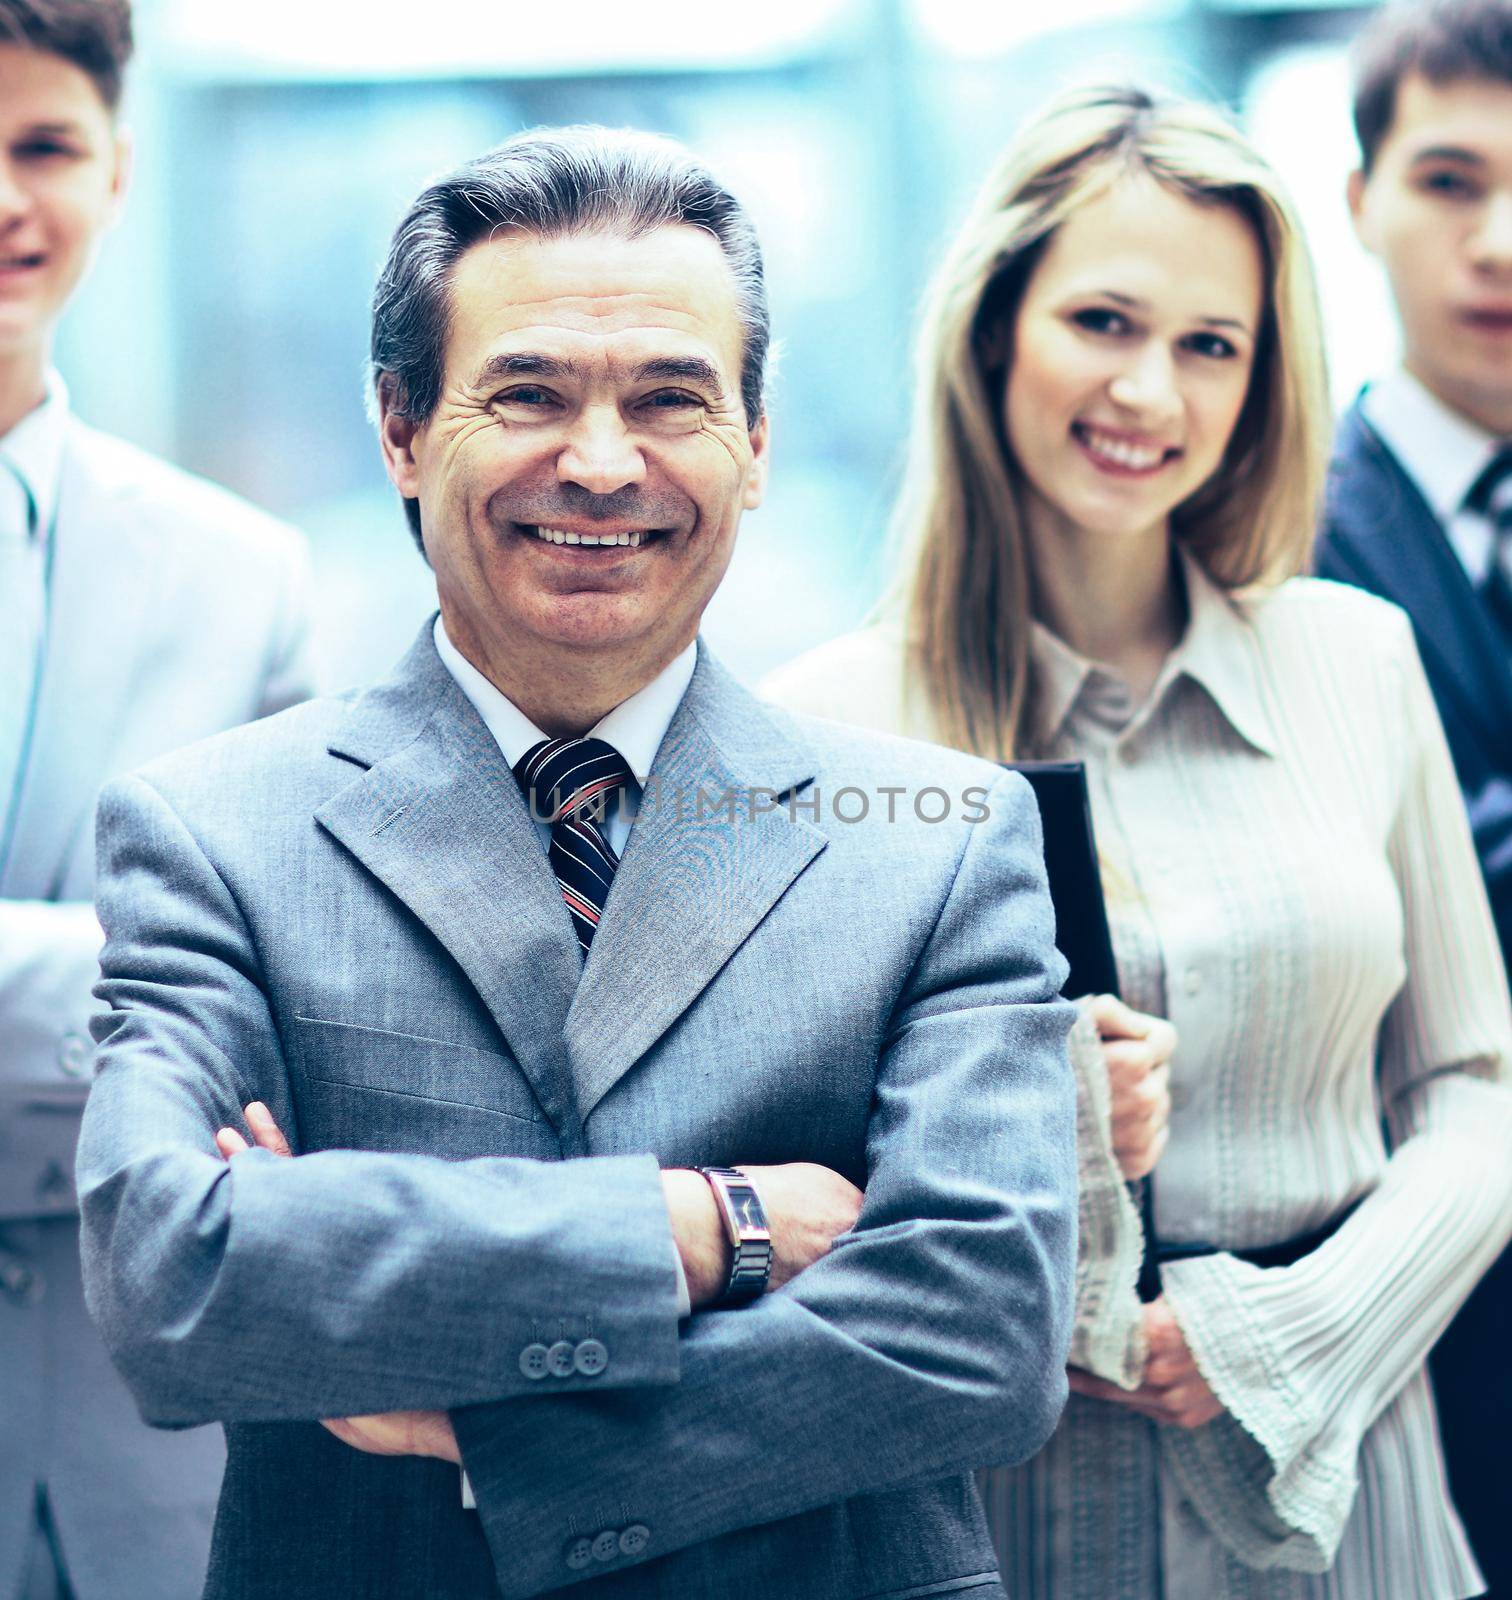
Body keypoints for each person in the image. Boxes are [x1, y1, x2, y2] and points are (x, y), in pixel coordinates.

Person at [73, 125, 1078, 1600]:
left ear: (755, 437)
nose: (601, 465)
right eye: (528, 393)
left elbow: (979, 1337)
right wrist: (709, 1227)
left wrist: (492, 1436)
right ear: (401, 427)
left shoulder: (943, 838)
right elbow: (179, 1284)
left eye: (671, 398)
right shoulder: (211, 832)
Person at [764, 83, 1512, 1600]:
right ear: (995, 330)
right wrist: (999, 1118)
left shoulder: (1356, 663)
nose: (1151, 394)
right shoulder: (821, 732)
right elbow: (766, 1170)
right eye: (1103, 320)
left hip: (1344, 1491)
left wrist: (1291, 1341)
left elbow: (1476, 1086)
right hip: (994, 1519)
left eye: (1210, 344)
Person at [0, 2, 316, 1597]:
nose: (3, 200)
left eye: (43, 148)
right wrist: (142, 1025)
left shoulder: (244, 579)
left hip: (146, 1470)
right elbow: (191, 1017)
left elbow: (291, 1009)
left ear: (119, 171)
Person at [1314, 5, 1512, 1589]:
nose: (1501, 241)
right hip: (1405, 1342)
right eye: (1451, 179)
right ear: (1360, 197)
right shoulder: (1246, 544)